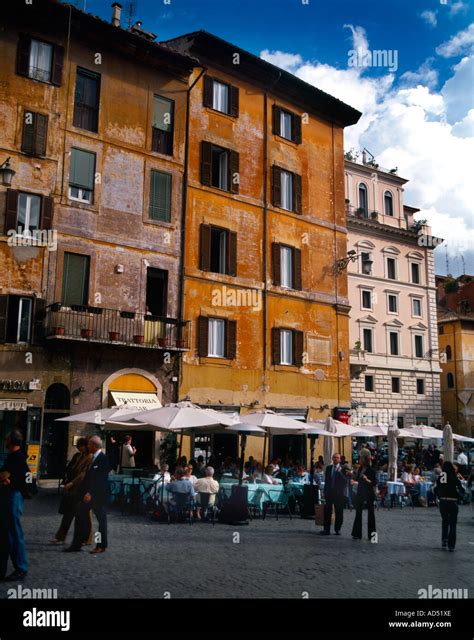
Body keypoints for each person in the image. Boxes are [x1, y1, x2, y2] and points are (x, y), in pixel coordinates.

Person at [65, 435, 110, 554]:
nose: (87, 446)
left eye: (89, 444)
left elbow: (100, 480)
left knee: (101, 522)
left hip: (98, 496)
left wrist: (90, 493)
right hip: (88, 495)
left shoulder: (103, 458)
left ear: (94, 446)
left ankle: (101, 545)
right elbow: (88, 478)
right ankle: (77, 543)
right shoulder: (92, 458)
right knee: (79, 514)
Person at [0, 431, 30, 581]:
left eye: (7, 439)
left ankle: (21, 567)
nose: (5, 441)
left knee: (15, 532)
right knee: (8, 533)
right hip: (9, 496)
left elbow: (25, 478)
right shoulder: (16, 457)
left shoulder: (17, 458)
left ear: (11, 441)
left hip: (13, 496)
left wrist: (9, 480)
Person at [51, 438, 93, 545]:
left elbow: (83, 474)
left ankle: (87, 539)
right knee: (68, 514)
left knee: (85, 516)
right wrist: (67, 480)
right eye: (78, 446)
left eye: (81, 446)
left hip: (81, 489)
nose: (79, 448)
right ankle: (60, 536)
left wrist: (72, 483)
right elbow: (71, 469)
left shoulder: (90, 458)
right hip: (72, 490)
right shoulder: (78, 456)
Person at [434, 461, 465, 551]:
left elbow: (437, 487)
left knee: (445, 521)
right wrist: (460, 496)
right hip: (453, 502)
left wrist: (439, 495)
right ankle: (451, 545)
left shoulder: (442, 476)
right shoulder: (453, 476)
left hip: (443, 501)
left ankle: (444, 540)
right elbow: (461, 488)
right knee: (453, 524)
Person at [351, 448, 377, 541]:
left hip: (369, 494)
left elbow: (374, 483)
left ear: (365, 459)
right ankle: (357, 534)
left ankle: (373, 537)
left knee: (371, 515)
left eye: (360, 458)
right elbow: (357, 479)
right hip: (360, 493)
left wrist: (366, 479)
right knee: (358, 513)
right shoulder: (360, 468)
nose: (359, 460)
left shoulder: (371, 470)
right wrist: (353, 478)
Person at [320, 453, 348, 536]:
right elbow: (327, 482)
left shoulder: (343, 468)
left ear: (340, 459)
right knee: (327, 511)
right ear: (332, 459)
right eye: (334, 458)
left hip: (339, 494)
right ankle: (326, 529)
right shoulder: (328, 468)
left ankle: (337, 529)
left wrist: (340, 473)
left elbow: (346, 481)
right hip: (329, 492)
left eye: (337, 458)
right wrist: (325, 492)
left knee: (339, 512)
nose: (336, 459)